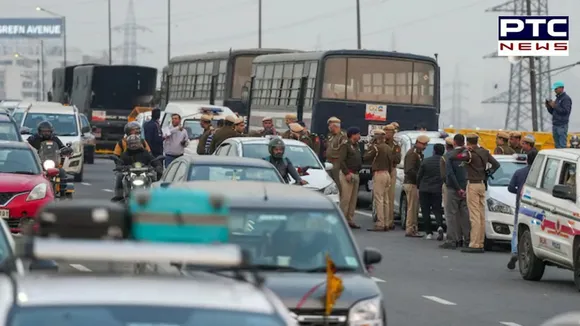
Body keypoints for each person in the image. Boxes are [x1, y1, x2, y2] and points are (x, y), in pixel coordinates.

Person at [451, 133, 500, 253]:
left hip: (472, 184)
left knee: (474, 215)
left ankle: (474, 243)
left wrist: (462, 148)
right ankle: (480, 242)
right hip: (482, 184)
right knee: (481, 215)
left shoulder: (469, 154)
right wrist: (488, 172)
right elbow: (496, 164)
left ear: (468, 142)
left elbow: (453, 157)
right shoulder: (484, 152)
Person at [506, 150, 537, 269]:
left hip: (521, 203)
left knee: (516, 229)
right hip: (535, 204)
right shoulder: (539, 173)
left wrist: (519, 192)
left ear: (526, 160)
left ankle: (515, 251)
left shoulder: (519, 172)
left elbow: (510, 188)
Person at [441, 134, 471, 249]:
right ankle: (467, 239)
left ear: (454, 142)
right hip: (467, 188)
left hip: (453, 189)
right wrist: (464, 188)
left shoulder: (449, 155)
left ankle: (452, 240)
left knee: (451, 215)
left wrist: (458, 188)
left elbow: (450, 174)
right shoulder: (468, 154)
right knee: (465, 215)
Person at [112, 135, 163, 202]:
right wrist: (121, 167)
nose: (134, 145)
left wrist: (158, 166)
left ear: (140, 144)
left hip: (145, 173)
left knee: (155, 175)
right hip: (130, 174)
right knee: (119, 176)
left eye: (136, 143)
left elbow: (153, 160)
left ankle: (157, 194)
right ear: (128, 144)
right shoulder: (125, 154)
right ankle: (119, 196)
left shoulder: (145, 153)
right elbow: (120, 163)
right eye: (131, 144)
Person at [27, 120, 72, 195]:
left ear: (51, 131)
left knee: (62, 172)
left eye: (48, 131)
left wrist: (66, 150)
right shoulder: (34, 138)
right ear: (39, 131)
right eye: (44, 131)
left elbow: (62, 147)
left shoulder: (55, 139)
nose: (46, 133)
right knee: (31, 174)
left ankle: (63, 192)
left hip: (53, 162)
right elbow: (27, 146)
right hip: (39, 164)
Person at [363, 128, 393, 232]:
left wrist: (369, 146)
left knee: (378, 199)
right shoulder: (388, 148)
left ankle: (380, 223)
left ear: (376, 137)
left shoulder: (376, 148)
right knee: (386, 199)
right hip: (387, 173)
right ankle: (386, 222)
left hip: (379, 173)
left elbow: (366, 157)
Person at [417, 143, 445, 240]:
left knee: (426, 211)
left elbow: (419, 175)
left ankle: (429, 232)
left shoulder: (426, 161)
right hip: (437, 189)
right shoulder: (444, 162)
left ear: (434, 151)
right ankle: (440, 226)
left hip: (424, 189)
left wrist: (418, 186)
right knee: (437, 210)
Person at [403, 135, 429, 237]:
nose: (425, 147)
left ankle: (414, 228)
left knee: (414, 208)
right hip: (411, 183)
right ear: (418, 143)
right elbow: (409, 170)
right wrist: (419, 177)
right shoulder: (412, 154)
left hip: (415, 183)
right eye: (423, 144)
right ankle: (410, 228)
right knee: (412, 208)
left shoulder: (418, 154)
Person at [339, 127, 362, 229]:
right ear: (352, 135)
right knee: (346, 198)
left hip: (356, 174)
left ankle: (349, 219)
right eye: (358, 134)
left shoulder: (357, 146)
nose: (359, 136)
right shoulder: (345, 146)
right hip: (348, 174)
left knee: (353, 200)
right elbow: (341, 160)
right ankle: (342, 220)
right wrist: (346, 173)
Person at [384, 124, 401, 230]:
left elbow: (397, 159)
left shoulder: (396, 145)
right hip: (382, 169)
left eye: (389, 132)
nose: (387, 134)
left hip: (392, 170)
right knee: (381, 197)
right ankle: (382, 219)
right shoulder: (380, 143)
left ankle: (389, 220)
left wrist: (389, 157)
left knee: (390, 196)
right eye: (386, 131)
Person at [546, 81, 572, 149]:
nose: (555, 90)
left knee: (562, 146)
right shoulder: (558, 98)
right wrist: (549, 106)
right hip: (556, 125)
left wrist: (555, 106)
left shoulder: (566, 99)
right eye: (554, 89)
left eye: (556, 88)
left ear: (561, 88)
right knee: (557, 146)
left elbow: (565, 111)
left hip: (562, 125)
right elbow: (554, 112)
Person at [325, 117, 348, 195]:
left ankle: (339, 196)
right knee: (329, 181)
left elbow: (343, 151)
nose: (329, 127)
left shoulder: (342, 136)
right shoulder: (330, 135)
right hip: (329, 161)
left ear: (335, 126)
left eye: (330, 126)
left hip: (336, 162)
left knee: (337, 182)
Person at [441, 137, 454, 212]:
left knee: (448, 208)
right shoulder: (460, 155)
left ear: (446, 146)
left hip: (448, 185)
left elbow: (443, 174)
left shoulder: (445, 157)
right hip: (460, 185)